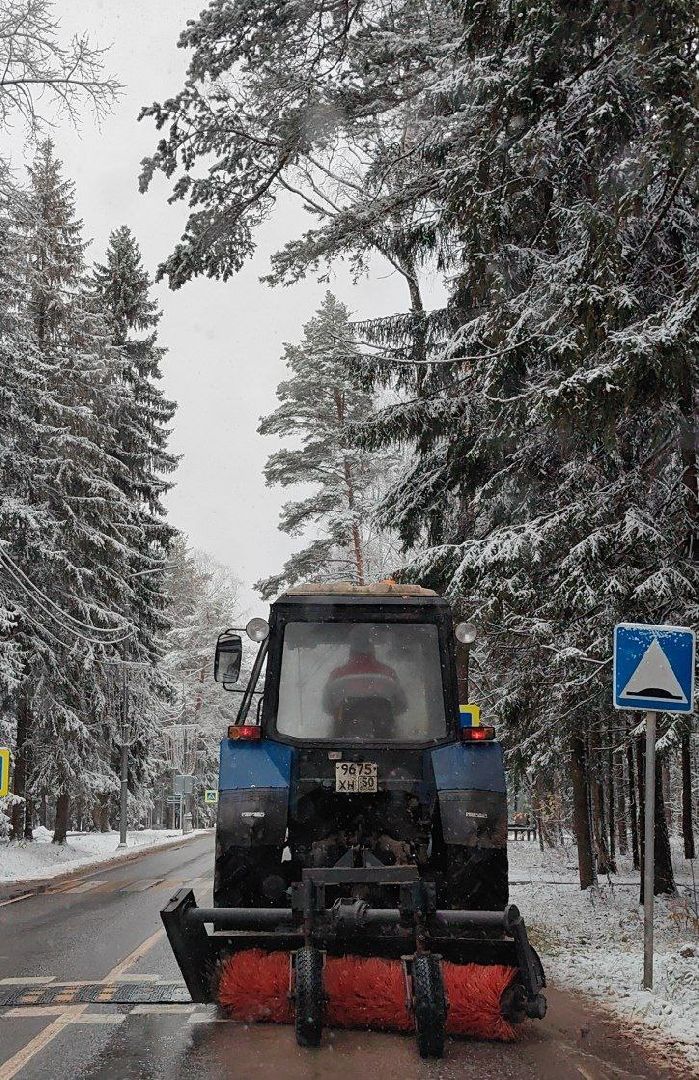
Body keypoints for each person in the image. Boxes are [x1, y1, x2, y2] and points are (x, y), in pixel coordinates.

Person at [322, 629, 407, 739]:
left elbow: (327, 707)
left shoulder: (337, 675)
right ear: (372, 650)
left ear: (351, 652)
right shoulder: (388, 674)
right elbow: (401, 706)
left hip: (344, 740)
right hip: (384, 739)